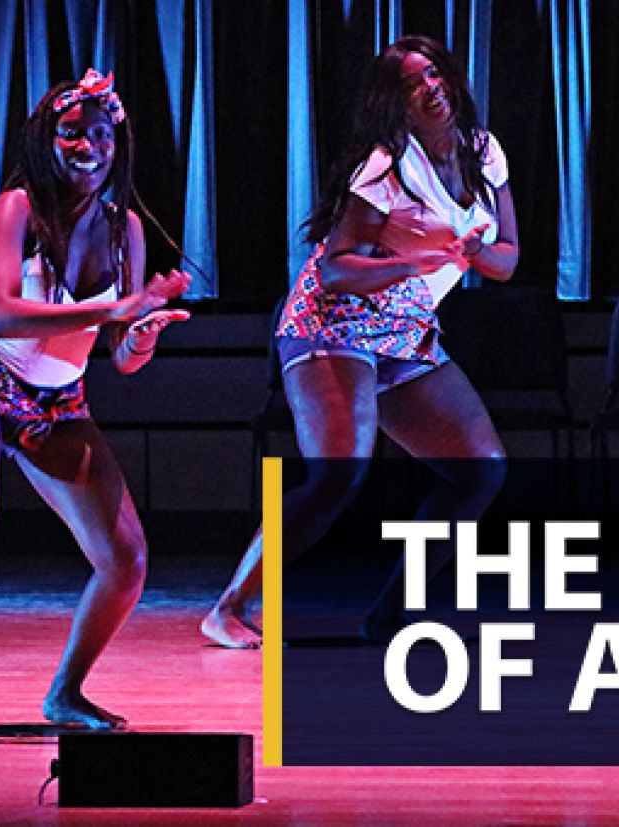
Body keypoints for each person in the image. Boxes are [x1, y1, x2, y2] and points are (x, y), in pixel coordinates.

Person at [202, 36, 519, 648]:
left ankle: (392, 610)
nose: (430, 88)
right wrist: (416, 260)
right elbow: (338, 268)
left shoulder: (484, 152)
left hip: (406, 326)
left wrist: (474, 254)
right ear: (395, 104)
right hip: (334, 320)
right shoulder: (384, 166)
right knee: (338, 472)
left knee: (482, 470)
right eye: (411, 83)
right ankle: (230, 606)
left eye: (435, 74)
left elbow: (506, 260)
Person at [0, 70, 190, 744]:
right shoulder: (17, 209)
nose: (88, 145)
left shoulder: (127, 232)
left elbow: (120, 355)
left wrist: (140, 334)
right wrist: (109, 308)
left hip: (57, 401)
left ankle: (66, 690)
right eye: (72, 132)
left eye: (101, 133)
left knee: (126, 559)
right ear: (48, 139)